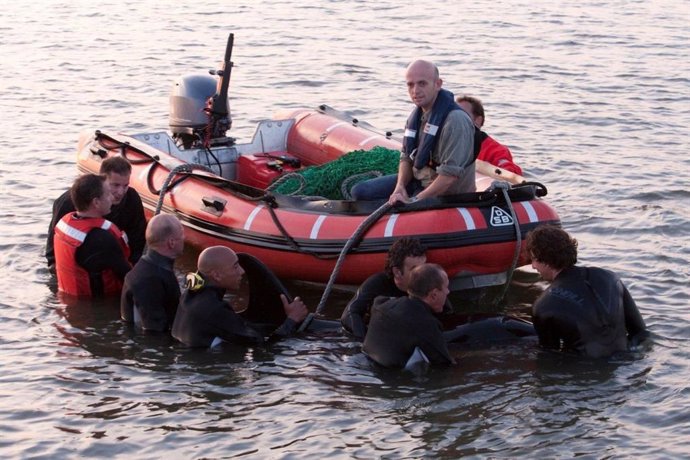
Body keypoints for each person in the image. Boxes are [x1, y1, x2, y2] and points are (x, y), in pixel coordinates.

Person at [351, 59, 476, 203]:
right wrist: (400, 187)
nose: (415, 91)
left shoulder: (455, 121)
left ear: (438, 84)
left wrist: (413, 201)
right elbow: (406, 157)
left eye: (422, 83)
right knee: (360, 192)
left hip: (447, 195)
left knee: (390, 207)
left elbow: (449, 177)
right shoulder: (416, 117)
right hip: (420, 182)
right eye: (410, 84)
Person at [525, 225, 648, 358]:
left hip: (585, 368)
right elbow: (640, 333)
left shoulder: (543, 305)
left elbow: (549, 357)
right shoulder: (611, 278)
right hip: (626, 360)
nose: (533, 266)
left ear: (546, 260)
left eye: (534, 259)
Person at [171, 246, 309, 348]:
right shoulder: (215, 310)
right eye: (235, 267)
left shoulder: (190, 295)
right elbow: (263, 347)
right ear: (217, 275)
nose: (242, 271)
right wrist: (292, 319)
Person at [46, 156, 146, 272]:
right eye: (115, 185)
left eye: (125, 186)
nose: (121, 192)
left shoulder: (131, 199)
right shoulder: (68, 202)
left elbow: (138, 241)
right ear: (102, 180)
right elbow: (52, 251)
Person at [53, 174, 132, 297]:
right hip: (102, 303)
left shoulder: (65, 223)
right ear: (96, 202)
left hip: (69, 297)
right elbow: (130, 278)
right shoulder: (101, 239)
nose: (112, 198)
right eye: (107, 194)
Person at [362, 263, 455, 368]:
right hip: (392, 378)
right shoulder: (426, 326)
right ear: (433, 295)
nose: (448, 291)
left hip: (365, 363)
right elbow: (444, 364)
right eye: (446, 287)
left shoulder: (381, 304)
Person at [341, 237, 427, 339]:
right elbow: (349, 314)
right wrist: (365, 341)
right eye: (414, 269)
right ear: (397, 272)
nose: (422, 274)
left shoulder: (429, 285)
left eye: (424, 268)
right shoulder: (377, 284)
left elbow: (446, 316)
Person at [120, 214, 185, 333]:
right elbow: (154, 330)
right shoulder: (150, 280)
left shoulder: (149, 268)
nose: (184, 238)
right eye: (181, 235)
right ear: (171, 242)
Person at [456, 95, 523, 175]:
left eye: (462, 115)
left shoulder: (497, 151)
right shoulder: (446, 144)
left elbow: (509, 173)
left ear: (478, 120)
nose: (455, 119)